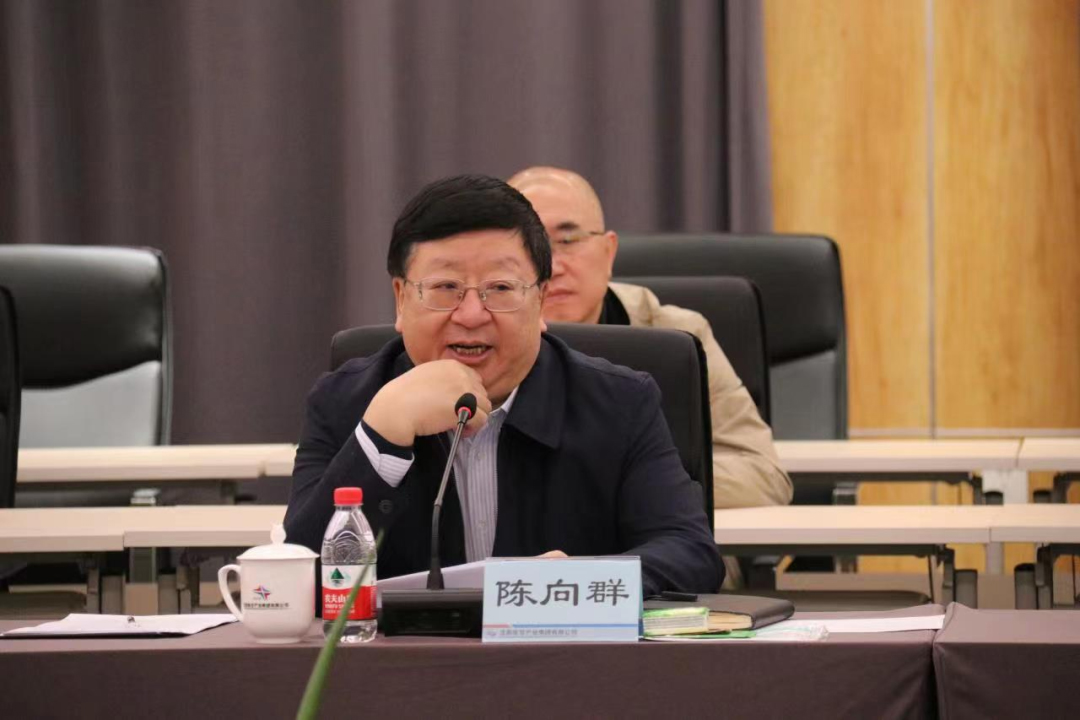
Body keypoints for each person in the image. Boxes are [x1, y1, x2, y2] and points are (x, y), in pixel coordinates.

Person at [284, 174, 723, 597]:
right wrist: (381, 436)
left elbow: (690, 553)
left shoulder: (620, 404)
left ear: (541, 299)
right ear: (401, 298)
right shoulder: (344, 402)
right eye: (445, 287)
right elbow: (301, 575)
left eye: (500, 287)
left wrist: (582, 582)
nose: (472, 314)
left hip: (560, 646)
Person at [509, 166, 792, 510]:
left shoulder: (676, 335)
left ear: (609, 252)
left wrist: (634, 481)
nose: (552, 267)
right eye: (532, 246)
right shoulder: (477, 339)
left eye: (568, 241)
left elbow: (763, 475)